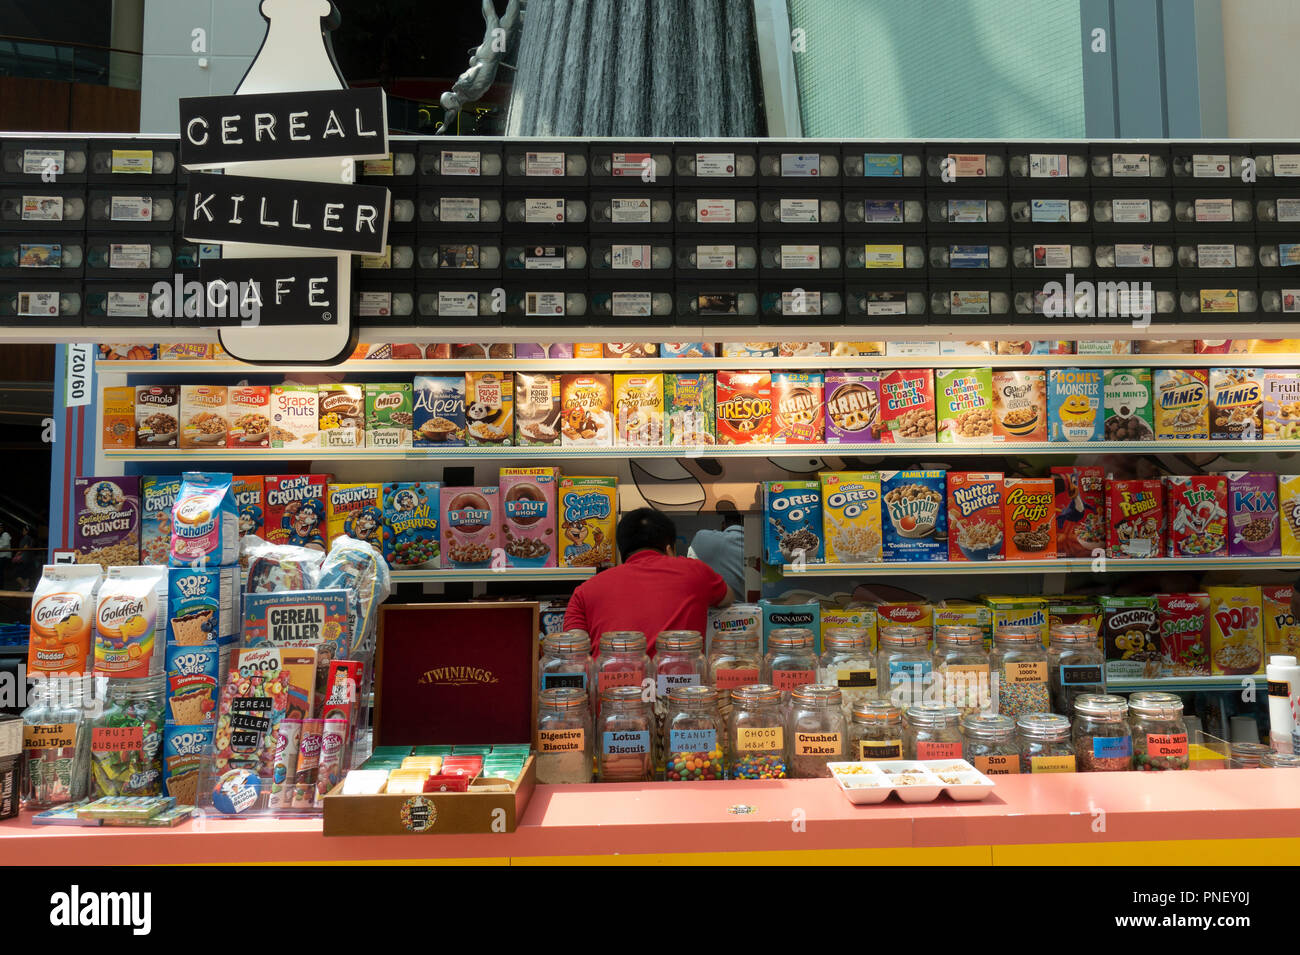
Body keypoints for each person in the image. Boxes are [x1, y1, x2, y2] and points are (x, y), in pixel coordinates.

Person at [564, 508, 733, 655]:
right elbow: (728, 597)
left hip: (610, 688)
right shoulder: (695, 571)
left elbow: (572, 656)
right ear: (669, 548)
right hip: (679, 688)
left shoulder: (584, 591)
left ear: (622, 550)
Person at [688, 511, 745, 602]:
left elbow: (690, 580)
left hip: (717, 611)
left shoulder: (702, 538)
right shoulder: (765, 544)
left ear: (723, 525)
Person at [13, 525, 34, 591]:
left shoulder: (26, 538)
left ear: (26, 531)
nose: (23, 531)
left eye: (24, 530)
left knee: (16, 574)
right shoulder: (31, 538)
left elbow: (25, 547)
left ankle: (25, 587)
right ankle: (25, 588)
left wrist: (18, 553)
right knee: (26, 575)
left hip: (23, 559)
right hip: (28, 559)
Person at [0, 524, 10, 589]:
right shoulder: (1, 535)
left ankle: (1, 587)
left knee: (1, 572)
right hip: (1, 556)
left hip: (4, 557)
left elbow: (5, 544)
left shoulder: (5, 534)